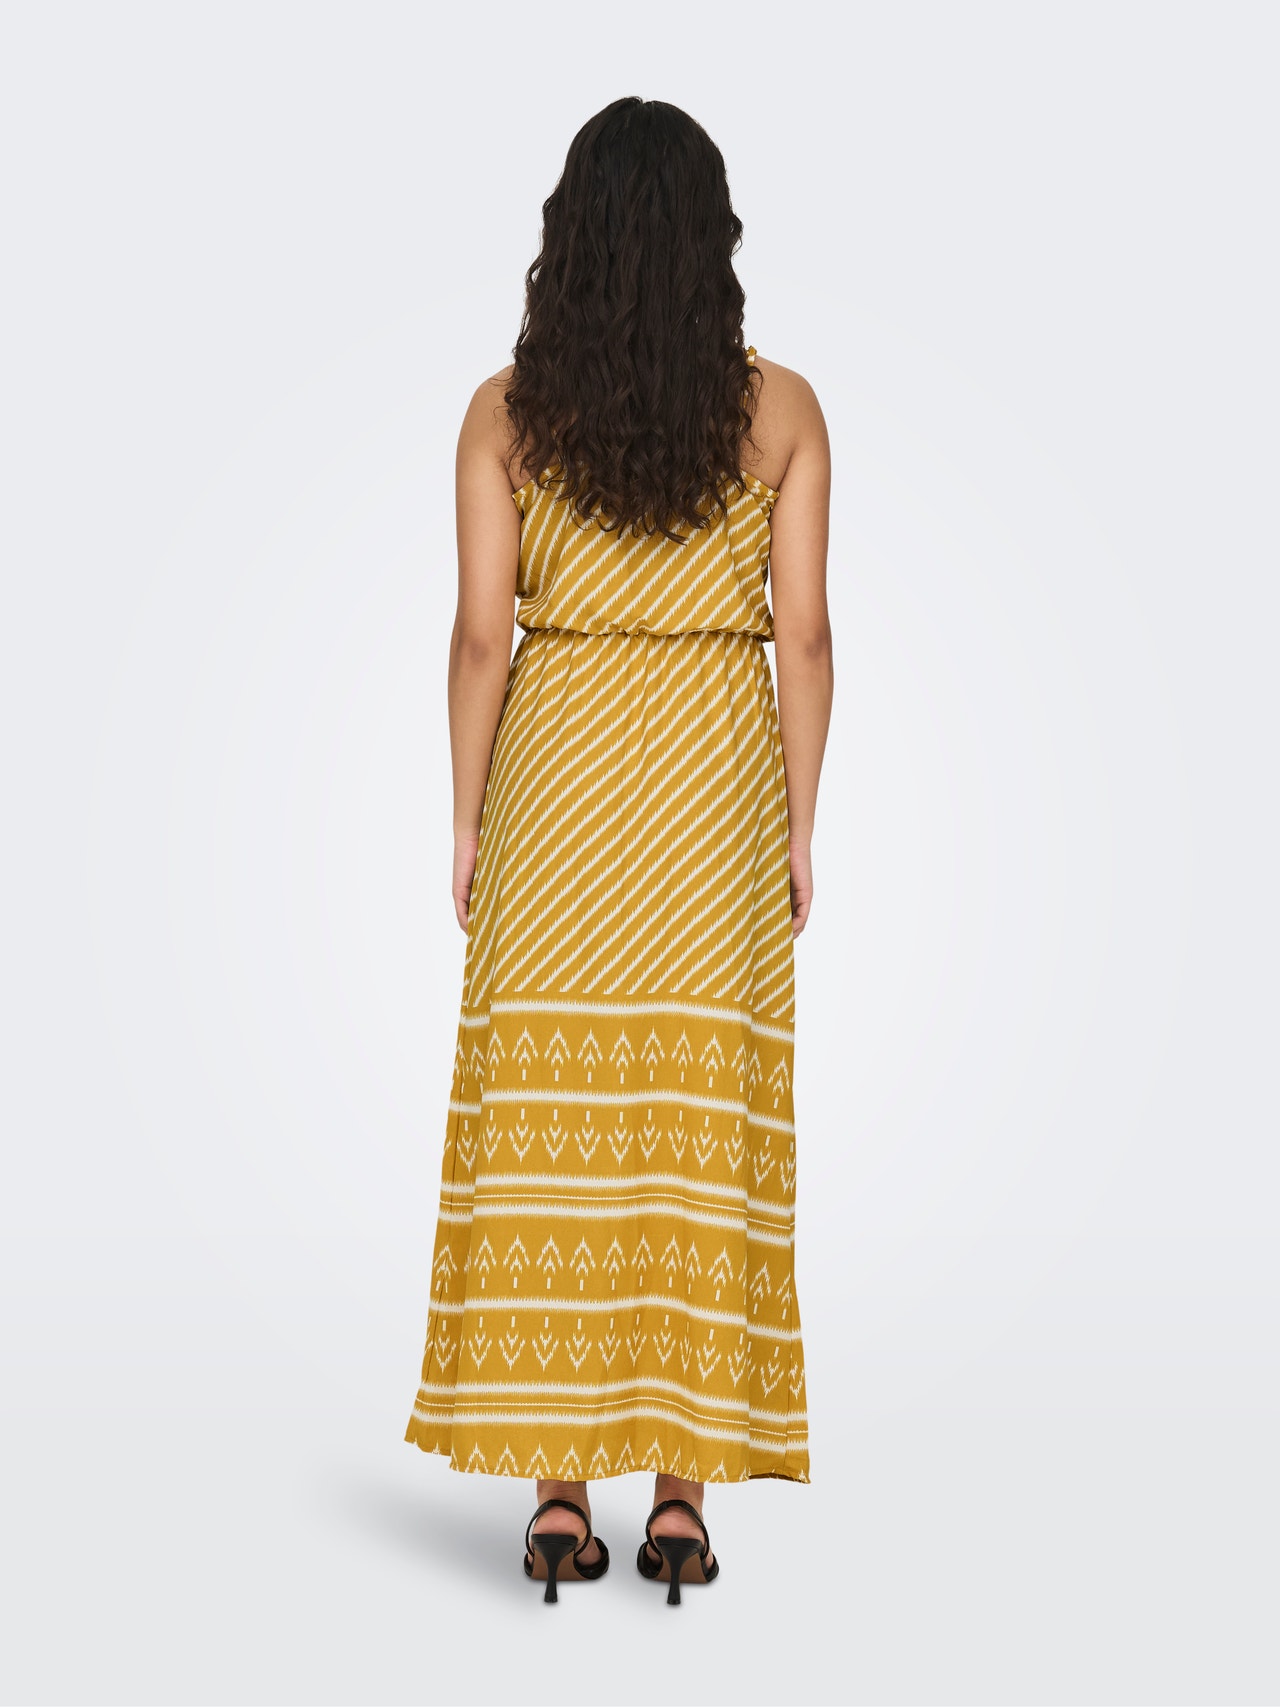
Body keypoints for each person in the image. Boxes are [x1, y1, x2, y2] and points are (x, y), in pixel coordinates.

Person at [404, 95, 833, 1607]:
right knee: (694, 1125)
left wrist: (470, 819)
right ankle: (682, 1507)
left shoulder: (506, 415)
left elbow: (481, 636)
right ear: (714, 242)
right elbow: (806, 636)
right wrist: (796, 823)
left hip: (563, 785)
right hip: (714, 790)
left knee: (554, 1126)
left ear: (568, 241)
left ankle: (556, 1497)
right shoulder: (781, 412)